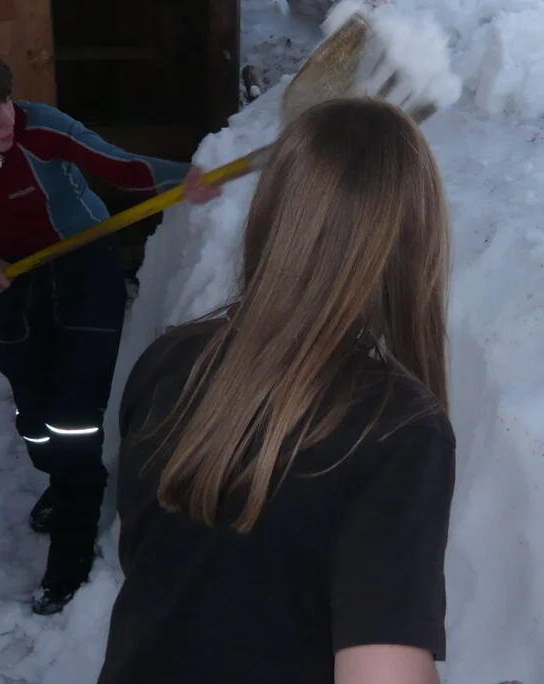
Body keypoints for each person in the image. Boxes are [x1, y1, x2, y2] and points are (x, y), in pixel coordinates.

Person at [96, 96, 456, 684]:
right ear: (416, 243)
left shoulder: (167, 360)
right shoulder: (398, 430)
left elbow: (133, 542)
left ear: (273, 216)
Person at [0, 37, 221, 616]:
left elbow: (121, 167)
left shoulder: (40, 130)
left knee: (74, 413)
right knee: (30, 401)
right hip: (24, 272)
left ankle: (71, 547)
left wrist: (188, 179)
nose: (8, 117)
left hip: (85, 262)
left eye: (6, 101)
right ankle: (61, 478)